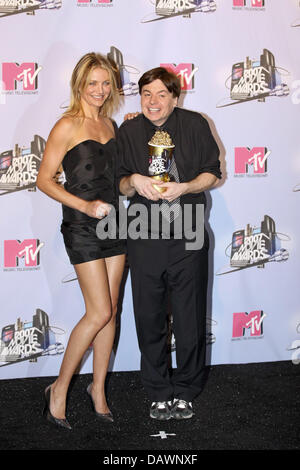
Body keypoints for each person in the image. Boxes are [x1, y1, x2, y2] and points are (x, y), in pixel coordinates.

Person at [118, 67, 221, 420]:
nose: (153, 101)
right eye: (146, 94)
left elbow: (212, 172)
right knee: (148, 317)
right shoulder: (129, 130)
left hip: (188, 237)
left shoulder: (195, 125)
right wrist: (133, 180)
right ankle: (159, 390)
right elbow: (119, 183)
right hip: (144, 237)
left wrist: (185, 187)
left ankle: (187, 389)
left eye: (162, 94)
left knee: (190, 316)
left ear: (176, 97)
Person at [37, 52, 126, 429]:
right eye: (93, 83)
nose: (100, 90)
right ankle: (59, 388)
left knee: (112, 312)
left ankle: (98, 389)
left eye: (106, 83)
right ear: (79, 85)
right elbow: (44, 180)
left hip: (116, 224)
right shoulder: (67, 126)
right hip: (81, 224)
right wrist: (84, 206)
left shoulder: (111, 123)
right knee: (98, 312)